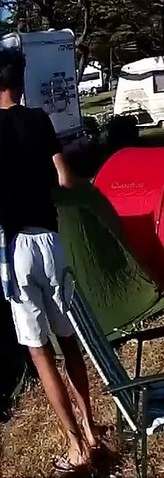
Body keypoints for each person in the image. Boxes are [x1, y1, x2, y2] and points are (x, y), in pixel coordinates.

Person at [0, 49, 102, 474]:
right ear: (20, 85)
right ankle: (94, 431)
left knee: (40, 354)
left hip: (13, 247)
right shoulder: (39, 120)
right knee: (69, 343)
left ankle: (75, 445)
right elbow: (64, 178)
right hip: (50, 241)